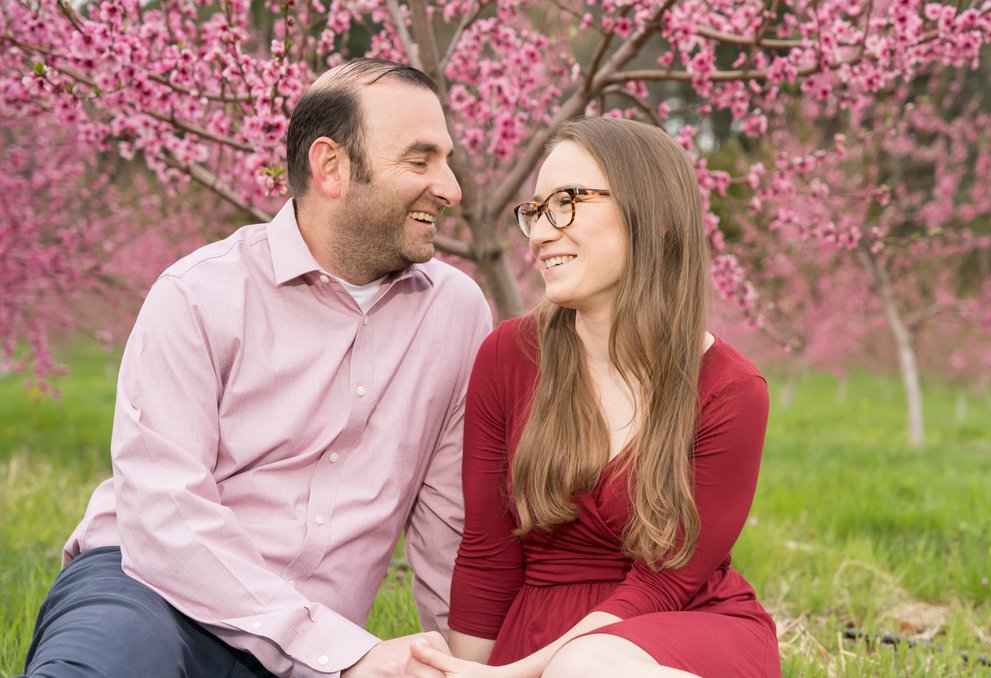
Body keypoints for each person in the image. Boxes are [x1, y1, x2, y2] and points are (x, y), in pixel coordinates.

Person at [21, 59, 492, 678]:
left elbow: (447, 528)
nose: (451, 187)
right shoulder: (197, 294)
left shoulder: (455, 314)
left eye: (447, 160)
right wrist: (344, 655)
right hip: (147, 593)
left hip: (310, 650)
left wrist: (466, 665)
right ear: (331, 167)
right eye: (420, 160)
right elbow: (165, 517)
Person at [409, 117, 781, 678]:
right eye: (534, 211)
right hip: (537, 633)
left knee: (587, 668)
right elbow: (488, 554)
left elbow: (668, 580)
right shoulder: (508, 357)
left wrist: (511, 677)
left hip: (681, 629)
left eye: (567, 201)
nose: (538, 234)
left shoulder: (731, 389)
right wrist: (470, 674)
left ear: (647, 213)